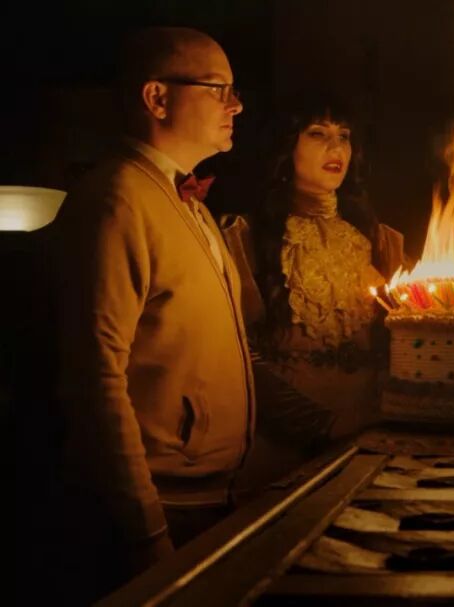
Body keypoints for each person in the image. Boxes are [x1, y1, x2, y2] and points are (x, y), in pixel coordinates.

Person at [49, 27, 251, 599]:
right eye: (218, 89)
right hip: (161, 510)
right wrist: (145, 530)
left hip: (209, 502)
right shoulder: (118, 199)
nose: (236, 105)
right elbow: (95, 378)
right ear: (157, 98)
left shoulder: (189, 204)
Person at [219, 94, 405, 489]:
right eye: (318, 133)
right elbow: (237, 356)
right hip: (281, 445)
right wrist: (319, 423)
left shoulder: (381, 241)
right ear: (286, 146)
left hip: (373, 435)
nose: (336, 147)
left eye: (344, 136)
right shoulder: (245, 238)